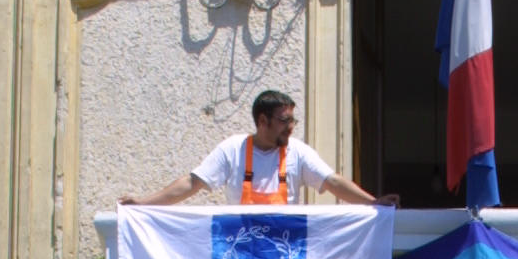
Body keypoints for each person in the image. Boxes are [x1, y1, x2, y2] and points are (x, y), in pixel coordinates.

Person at [121, 88, 392, 210]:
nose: (291, 127)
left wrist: (373, 203)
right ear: (263, 121)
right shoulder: (232, 149)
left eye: (293, 120)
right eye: (284, 121)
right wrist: (143, 204)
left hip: (284, 251)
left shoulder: (298, 152)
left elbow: (332, 182)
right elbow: (192, 183)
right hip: (241, 253)